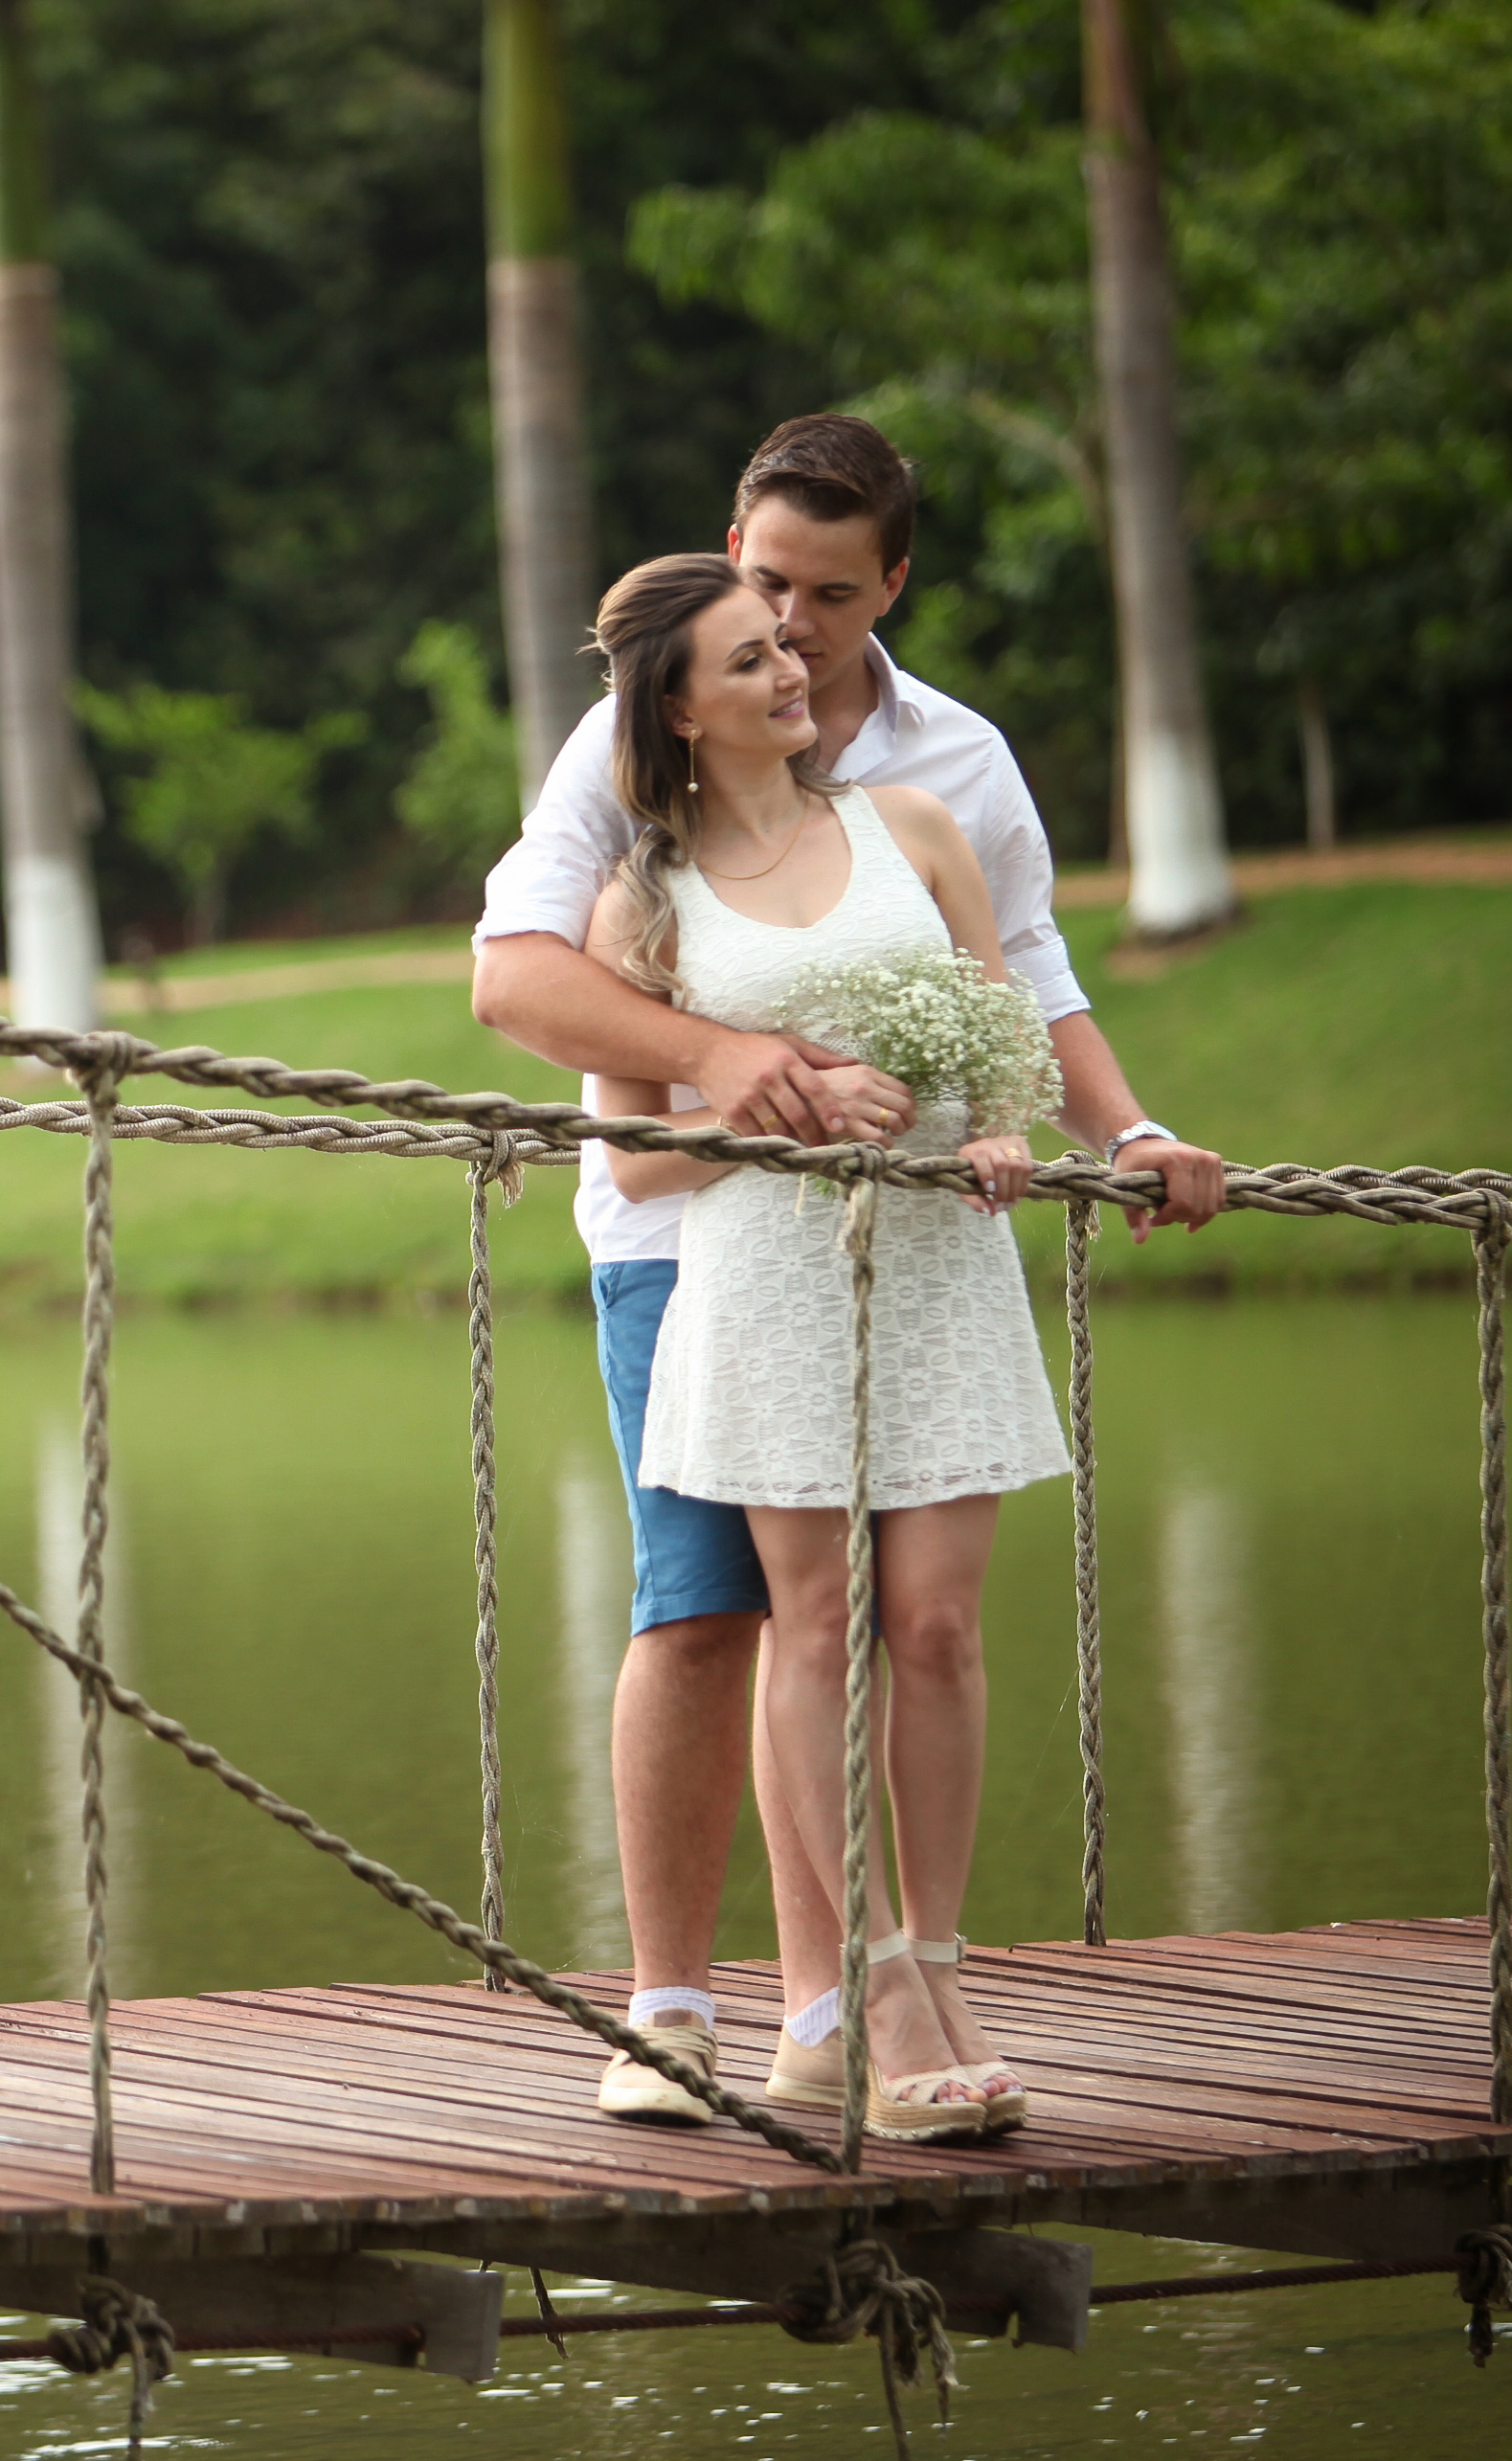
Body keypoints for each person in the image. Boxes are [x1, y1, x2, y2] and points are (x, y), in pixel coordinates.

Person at [469, 416, 1225, 2134]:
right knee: (709, 1604)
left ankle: (851, 2001)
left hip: (928, 1242)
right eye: (760, 585)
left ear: (893, 583)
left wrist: (1127, 1129)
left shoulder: (951, 767)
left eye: (822, 593)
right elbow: (515, 981)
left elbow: (1022, 978)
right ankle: (677, 2000)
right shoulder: (637, 730)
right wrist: (734, 1066)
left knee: (917, 1619)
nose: (789, 624)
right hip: (694, 1246)